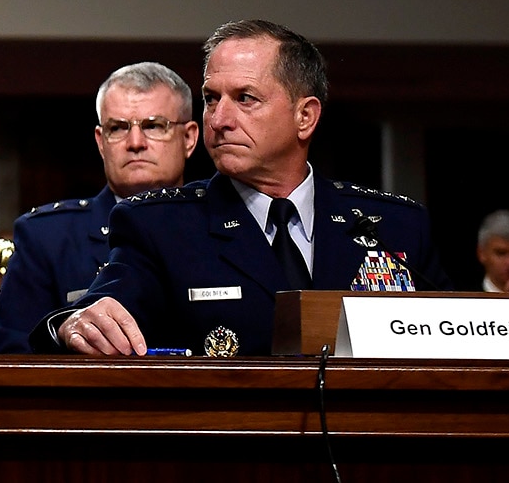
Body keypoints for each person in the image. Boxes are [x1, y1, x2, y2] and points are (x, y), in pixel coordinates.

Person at [39, 20, 447, 357]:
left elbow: (456, 346)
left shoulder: (394, 225)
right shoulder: (160, 226)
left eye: (245, 98)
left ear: (305, 117)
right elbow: (93, 315)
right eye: (211, 99)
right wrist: (69, 325)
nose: (219, 120)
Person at [0, 61, 200, 353]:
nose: (135, 142)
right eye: (118, 128)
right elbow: (10, 353)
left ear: (189, 138)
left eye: (153, 126)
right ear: (101, 142)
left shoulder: (228, 224)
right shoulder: (48, 237)